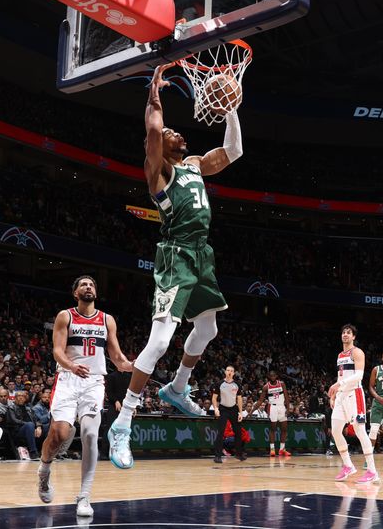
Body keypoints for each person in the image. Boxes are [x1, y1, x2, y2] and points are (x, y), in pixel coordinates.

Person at [108, 62, 243, 471]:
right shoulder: (159, 171)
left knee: (209, 328)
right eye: (170, 134)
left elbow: (233, 151)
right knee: (162, 340)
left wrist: (231, 108)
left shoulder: (194, 165)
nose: (174, 133)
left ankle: (177, 388)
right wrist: (154, 95)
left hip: (202, 255)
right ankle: (124, 421)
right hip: (176, 257)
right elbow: (152, 131)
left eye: (175, 133)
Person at [38, 276, 132, 518]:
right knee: (59, 434)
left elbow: (118, 358)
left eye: (92, 284)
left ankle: (84, 495)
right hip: (68, 379)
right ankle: (44, 472)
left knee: (90, 434)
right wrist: (71, 366)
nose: (88, 287)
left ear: (96, 293)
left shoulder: (106, 320)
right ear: (75, 293)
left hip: (93, 382)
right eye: (83, 285)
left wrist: (135, 365)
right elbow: (57, 351)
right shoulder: (65, 316)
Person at [328, 324, 379, 483]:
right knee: (335, 431)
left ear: (354, 337)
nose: (345, 334)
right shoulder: (339, 355)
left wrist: (339, 385)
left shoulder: (357, 352)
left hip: (354, 394)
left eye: (348, 333)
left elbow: (359, 376)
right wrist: (335, 393)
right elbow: (340, 376)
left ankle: (372, 471)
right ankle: (348, 465)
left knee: (360, 431)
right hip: (341, 396)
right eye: (343, 332)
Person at [212, 365, 246, 464]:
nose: (229, 372)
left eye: (231, 371)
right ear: (225, 372)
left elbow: (239, 399)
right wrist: (216, 408)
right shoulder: (219, 384)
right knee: (221, 433)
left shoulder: (237, 384)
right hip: (223, 409)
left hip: (234, 409)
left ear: (234, 373)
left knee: (238, 432)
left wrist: (240, 412)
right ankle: (217, 456)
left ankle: (238, 454)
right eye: (228, 370)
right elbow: (214, 398)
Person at [252, 370, 291, 457]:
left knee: (284, 429)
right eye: (271, 376)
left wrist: (288, 408)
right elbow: (260, 400)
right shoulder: (266, 387)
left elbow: (286, 396)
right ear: (269, 377)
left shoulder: (282, 384)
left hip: (281, 406)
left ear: (276, 376)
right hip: (272, 407)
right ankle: (272, 449)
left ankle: (282, 449)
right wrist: (252, 411)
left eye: (274, 375)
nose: (272, 377)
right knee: (273, 428)